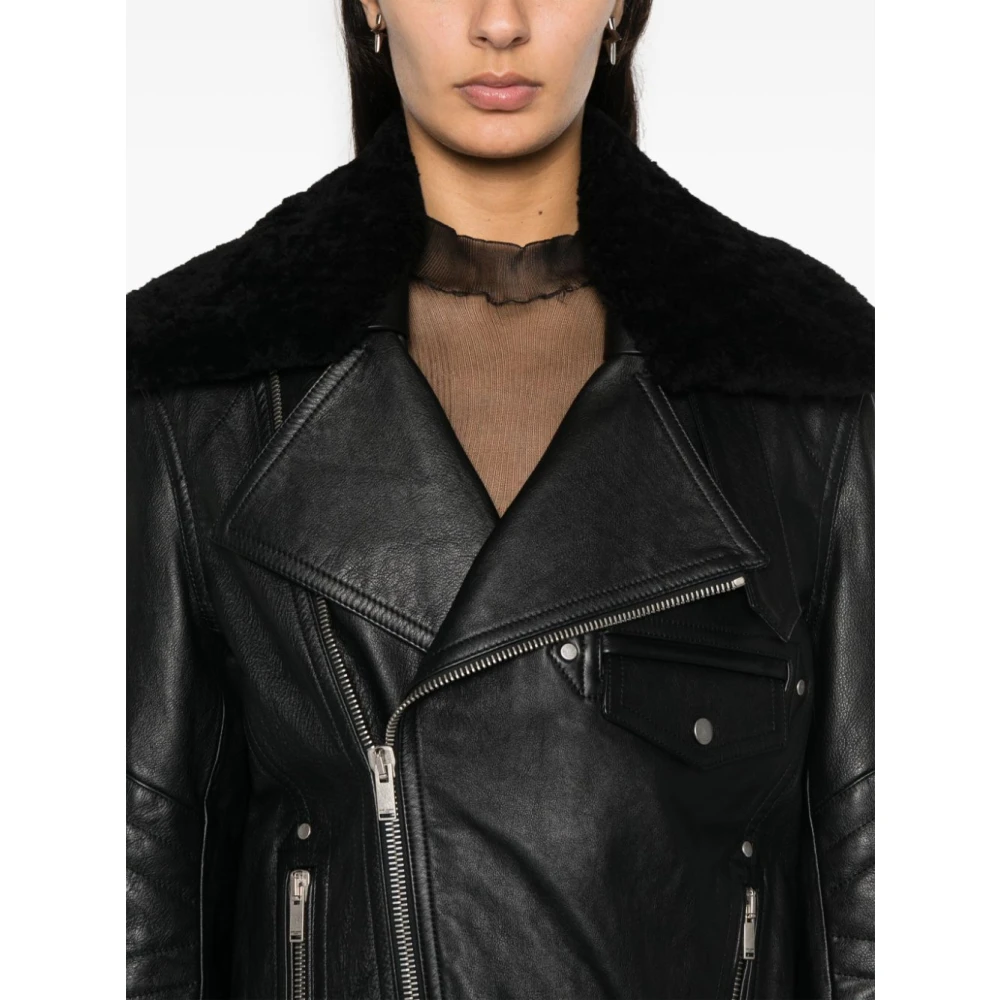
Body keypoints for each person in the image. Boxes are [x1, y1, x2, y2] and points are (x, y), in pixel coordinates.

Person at [126, 1, 874, 998]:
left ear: (618, 6)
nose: (500, 22)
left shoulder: (804, 389)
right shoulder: (198, 388)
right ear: (369, 4)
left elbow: (873, 886)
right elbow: (138, 889)